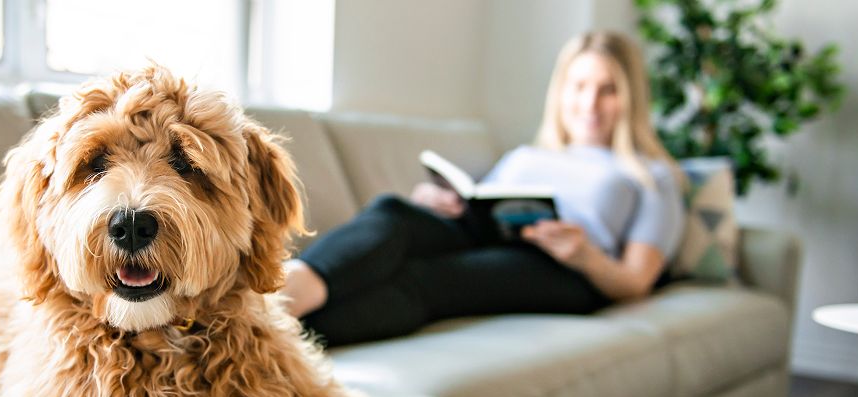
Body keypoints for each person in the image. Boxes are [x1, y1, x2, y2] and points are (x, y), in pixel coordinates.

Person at [281, 31, 686, 346]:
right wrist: (438, 204)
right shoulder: (528, 155)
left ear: (630, 97)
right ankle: (283, 295)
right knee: (393, 212)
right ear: (561, 91)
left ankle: (276, 333)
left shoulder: (652, 176)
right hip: (485, 238)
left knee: (426, 280)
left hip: (562, 270)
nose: (590, 103)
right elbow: (482, 205)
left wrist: (584, 256)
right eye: (579, 86)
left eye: (608, 89)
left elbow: (636, 281)